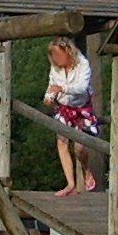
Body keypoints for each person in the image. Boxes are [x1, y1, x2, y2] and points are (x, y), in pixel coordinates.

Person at [42, 37, 98, 196]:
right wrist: (49, 97)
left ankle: (86, 170)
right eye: (53, 56)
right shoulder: (55, 68)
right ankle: (70, 183)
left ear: (68, 52)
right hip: (63, 107)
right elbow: (52, 85)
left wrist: (62, 88)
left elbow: (81, 88)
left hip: (81, 107)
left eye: (58, 55)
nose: (56, 59)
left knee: (80, 148)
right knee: (61, 140)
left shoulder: (83, 64)